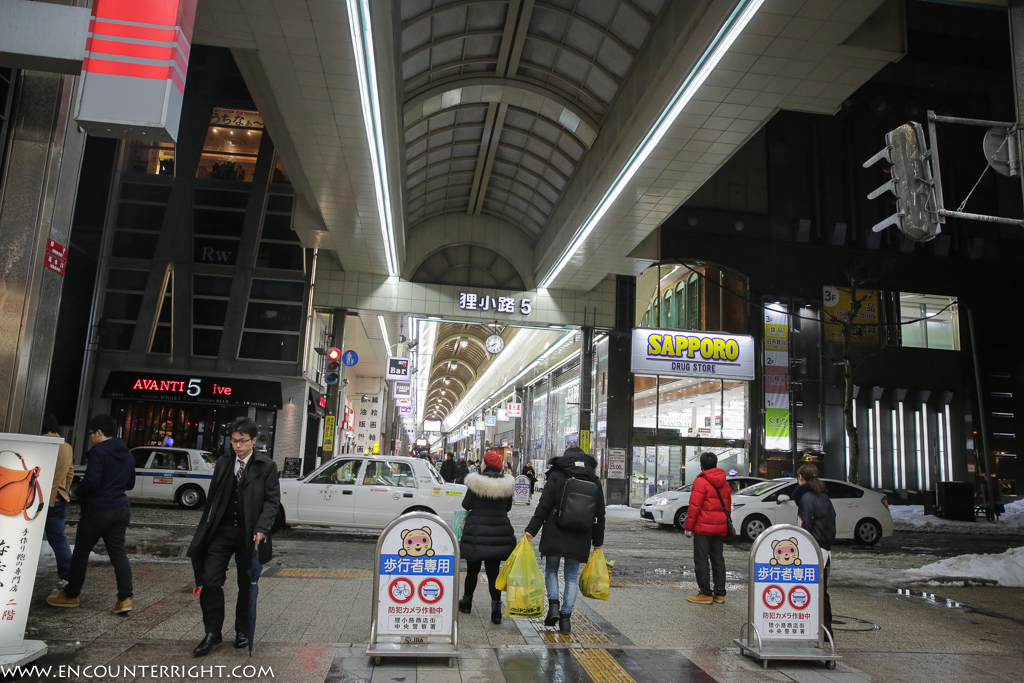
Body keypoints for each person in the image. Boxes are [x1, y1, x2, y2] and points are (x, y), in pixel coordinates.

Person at [187, 417, 280, 656]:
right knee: (210, 580)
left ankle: (242, 629)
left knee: (246, 583)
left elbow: (272, 500)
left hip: (250, 534)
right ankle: (212, 632)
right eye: (234, 441)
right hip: (221, 531)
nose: (238, 446)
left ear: (254, 441)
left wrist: (262, 526)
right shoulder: (224, 462)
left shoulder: (266, 465)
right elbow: (214, 497)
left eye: (243, 441)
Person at [47, 414, 135, 613]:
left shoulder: (98, 452)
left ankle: (71, 595)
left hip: (97, 510)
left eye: (91, 434)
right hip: (120, 509)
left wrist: (77, 493)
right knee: (119, 555)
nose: (91, 438)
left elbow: (92, 482)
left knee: (80, 554)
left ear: (99, 432)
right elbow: (130, 484)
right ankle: (125, 599)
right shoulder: (127, 453)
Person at [523, 446, 605, 635]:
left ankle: (553, 606)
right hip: (580, 534)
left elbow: (544, 505)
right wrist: (598, 542)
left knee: (551, 569)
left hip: (555, 531)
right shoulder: (593, 478)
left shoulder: (557, 474)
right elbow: (600, 514)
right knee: (570, 577)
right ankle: (566, 620)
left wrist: (531, 530)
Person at [458, 449, 515, 624]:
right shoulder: (506, 484)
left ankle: (466, 602)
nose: (480, 465)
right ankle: (496, 610)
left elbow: (466, 504)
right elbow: (507, 508)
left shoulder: (476, 482)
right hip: (497, 534)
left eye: (482, 462)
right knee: (493, 572)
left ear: (486, 464)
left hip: (476, 532)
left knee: (472, 570)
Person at [794, 463, 836, 637]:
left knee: (808, 588)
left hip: (812, 548)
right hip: (825, 548)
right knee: (822, 590)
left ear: (800, 478)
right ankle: (826, 629)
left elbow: (803, 525)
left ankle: (812, 628)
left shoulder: (806, 498)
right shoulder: (824, 497)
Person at [684, 451, 731, 605]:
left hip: (703, 528)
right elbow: (728, 507)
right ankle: (720, 594)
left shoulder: (701, 482)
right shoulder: (725, 482)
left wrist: (688, 527)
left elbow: (694, 507)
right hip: (719, 528)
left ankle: (705, 593)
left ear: (701, 465)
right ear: (716, 464)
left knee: (702, 560)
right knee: (718, 559)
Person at [41, 414, 74, 587]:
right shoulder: (66, 446)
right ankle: (68, 576)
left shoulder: (40, 443)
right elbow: (70, 473)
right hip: (60, 498)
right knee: (59, 539)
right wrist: (64, 489)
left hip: (39, 499)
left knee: (27, 538)